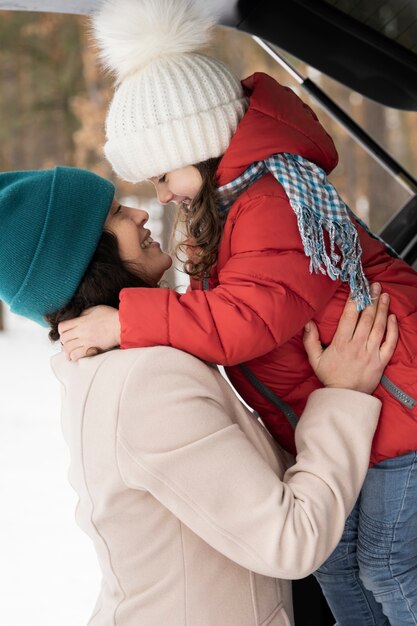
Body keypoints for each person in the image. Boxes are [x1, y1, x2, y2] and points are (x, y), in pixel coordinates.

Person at [58, 1, 417, 623]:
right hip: (361, 416)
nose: (161, 196)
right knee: (334, 564)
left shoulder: (274, 200)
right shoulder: (232, 210)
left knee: (386, 565)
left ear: (198, 146)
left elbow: (244, 323)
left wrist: (128, 320)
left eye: (165, 175)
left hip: (399, 409)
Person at [0, 166, 396, 625]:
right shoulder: (142, 384)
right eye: (113, 214)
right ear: (84, 256)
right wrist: (342, 395)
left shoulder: (116, 364)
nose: (138, 213)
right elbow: (290, 539)